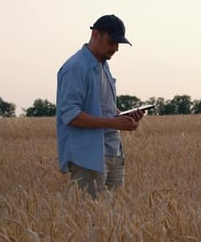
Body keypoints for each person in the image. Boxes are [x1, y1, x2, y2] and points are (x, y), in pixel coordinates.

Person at [56, 14, 145, 199]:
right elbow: (71, 115)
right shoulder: (75, 67)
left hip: (113, 152)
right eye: (111, 42)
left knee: (110, 220)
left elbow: (104, 108)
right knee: (88, 219)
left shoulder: (103, 65)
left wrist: (125, 115)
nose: (116, 49)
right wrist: (114, 123)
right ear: (95, 34)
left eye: (118, 44)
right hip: (90, 157)